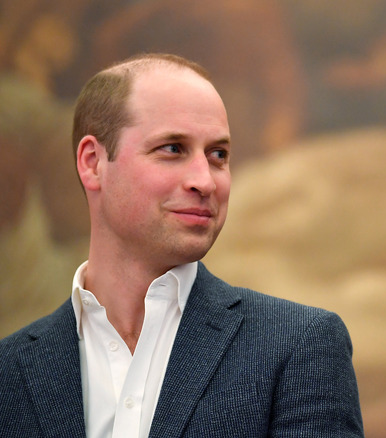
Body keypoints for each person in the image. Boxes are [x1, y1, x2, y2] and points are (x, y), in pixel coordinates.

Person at [0, 53, 363, 437]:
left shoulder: (299, 347)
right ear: (93, 163)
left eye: (218, 155)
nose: (205, 181)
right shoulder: (10, 371)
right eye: (173, 149)